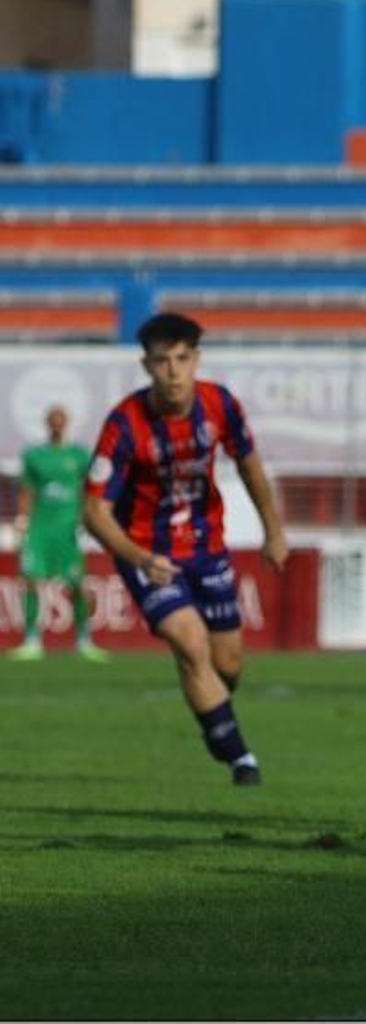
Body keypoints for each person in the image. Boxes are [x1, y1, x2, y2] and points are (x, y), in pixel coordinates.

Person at [82, 313, 288, 786]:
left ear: (196, 359)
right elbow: (94, 512)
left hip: (206, 546)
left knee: (227, 665)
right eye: (162, 361)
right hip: (148, 553)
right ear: (146, 365)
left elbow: (250, 465)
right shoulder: (125, 424)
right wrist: (138, 558)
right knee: (190, 643)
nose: (173, 371)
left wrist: (273, 531)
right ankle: (242, 760)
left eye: (181, 359)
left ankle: (212, 711)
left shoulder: (220, 405)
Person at [8, 406, 107, 661]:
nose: (56, 425)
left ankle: (84, 641)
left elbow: (90, 490)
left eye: (60, 421)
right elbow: (26, 491)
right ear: (47, 424)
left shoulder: (79, 455)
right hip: (40, 529)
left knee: (76, 585)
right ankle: (32, 641)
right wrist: (22, 521)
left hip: (68, 530)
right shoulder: (34, 456)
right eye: (52, 421)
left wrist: (89, 519)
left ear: (67, 424)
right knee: (31, 580)